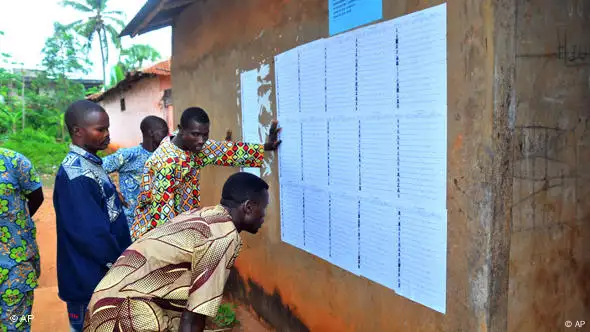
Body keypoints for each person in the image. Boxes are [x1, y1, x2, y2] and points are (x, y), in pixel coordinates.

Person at [83, 172, 269, 332]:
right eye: (264, 208)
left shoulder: (207, 216)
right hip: (125, 313)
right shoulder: (221, 237)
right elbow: (194, 315)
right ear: (249, 207)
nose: (265, 216)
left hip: (106, 304)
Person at [130, 106, 281, 241]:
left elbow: (226, 152)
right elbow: (163, 217)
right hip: (154, 237)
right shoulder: (165, 163)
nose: (201, 140)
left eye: (205, 135)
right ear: (181, 130)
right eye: (195, 134)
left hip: (181, 226)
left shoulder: (195, 145)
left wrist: (265, 147)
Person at [53, 100, 132, 332]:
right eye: (100, 129)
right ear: (78, 131)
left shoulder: (91, 164)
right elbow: (91, 235)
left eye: (107, 128)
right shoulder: (75, 174)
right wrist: (121, 266)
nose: (107, 135)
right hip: (89, 279)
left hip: (101, 277)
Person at [0, 148, 44, 332]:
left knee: (19, 322)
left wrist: (17, 225)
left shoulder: (15, 162)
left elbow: (37, 197)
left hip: (15, 263)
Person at [102, 116, 169, 227]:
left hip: (158, 220)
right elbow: (97, 167)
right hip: (132, 221)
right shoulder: (130, 155)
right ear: (151, 132)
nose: (166, 137)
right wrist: (112, 190)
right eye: (164, 132)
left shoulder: (164, 156)